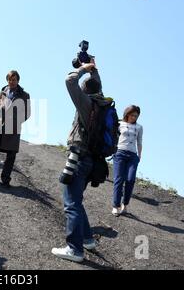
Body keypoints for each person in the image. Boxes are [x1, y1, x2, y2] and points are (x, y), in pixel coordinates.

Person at [52, 61, 110, 263]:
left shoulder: (86, 103)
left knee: (71, 203)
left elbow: (70, 81)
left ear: (84, 91)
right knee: (77, 199)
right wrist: (92, 67)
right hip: (92, 161)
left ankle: (74, 249)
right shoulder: (101, 102)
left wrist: (83, 69)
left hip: (79, 158)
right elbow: (97, 83)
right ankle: (87, 239)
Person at [0, 70, 31, 187]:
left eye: (14, 80)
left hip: (14, 128)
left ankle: (5, 178)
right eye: (10, 79)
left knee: (11, 155)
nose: (12, 82)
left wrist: (17, 121)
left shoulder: (24, 95)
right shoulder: (2, 92)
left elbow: (27, 113)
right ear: (7, 80)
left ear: (18, 81)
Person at [112, 105, 143, 216]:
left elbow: (139, 142)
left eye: (136, 116)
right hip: (120, 153)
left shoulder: (139, 127)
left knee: (130, 180)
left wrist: (139, 156)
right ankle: (116, 206)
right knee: (118, 179)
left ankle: (125, 204)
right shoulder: (120, 124)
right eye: (132, 115)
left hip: (133, 156)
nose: (134, 117)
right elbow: (113, 137)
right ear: (127, 114)